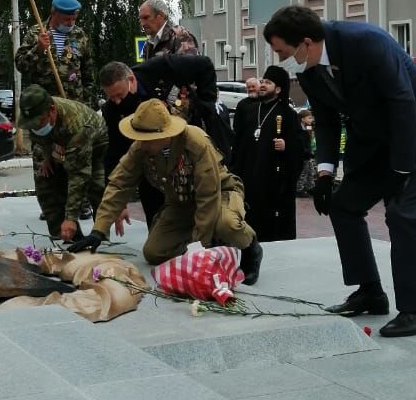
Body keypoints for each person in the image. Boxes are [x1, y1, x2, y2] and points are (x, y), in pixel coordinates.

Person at [264, 5, 416, 338]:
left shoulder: (365, 41)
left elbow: (402, 101)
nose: (282, 59)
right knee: (344, 205)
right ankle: (370, 291)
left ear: (306, 42)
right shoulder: (310, 70)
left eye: (283, 51)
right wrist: (325, 174)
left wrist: (401, 168)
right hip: (381, 135)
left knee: (402, 213)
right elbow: (326, 121)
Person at [70, 98, 262, 281]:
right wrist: (98, 230)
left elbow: (208, 194)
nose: (141, 142)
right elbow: (119, 185)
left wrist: (199, 247)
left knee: (226, 224)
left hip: (220, 194)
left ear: (164, 135)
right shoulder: (141, 148)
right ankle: (210, 244)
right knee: (154, 252)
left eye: (147, 139)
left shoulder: (194, 141)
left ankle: (250, 248)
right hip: (181, 203)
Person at [99, 53, 231, 226]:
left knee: (203, 211)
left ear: (131, 79)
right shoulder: (112, 111)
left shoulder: (162, 67)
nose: (116, 101)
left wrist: (207, 105)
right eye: (111, 97)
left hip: (188, 150)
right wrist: (119, 203)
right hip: (153, 166)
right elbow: (115, 152)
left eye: (119, 95)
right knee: (156, 223)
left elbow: (204, 64)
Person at [19, 84, 108, 242]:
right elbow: (40, 138)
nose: (36, 127)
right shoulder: (36, 117)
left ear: (52, 111)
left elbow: (78, 176)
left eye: (40, 123)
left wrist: (71, 217)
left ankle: (98, 236)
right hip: (58, 141)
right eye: (32, 125)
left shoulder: (77, 125)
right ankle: (67, 236)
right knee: (44, 180)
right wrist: (47, 156)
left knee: (96, 188)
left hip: (94, 146)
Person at [228, 66, 303, 241]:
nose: (262, 85)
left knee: (274, 230)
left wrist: (287, 145)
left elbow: (302, 147)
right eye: (262, 81)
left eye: (267, 83)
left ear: (278, 89)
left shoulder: (288, 114)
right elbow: (238, 143)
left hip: (274, 184)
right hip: (250, 179)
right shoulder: (250, 110)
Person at [15, 0, 94, 104]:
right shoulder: (36, 33)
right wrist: (38, 49)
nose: (71, 23)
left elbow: (88, 74)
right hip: (44, 105)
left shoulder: (80, 35)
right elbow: (21, 65)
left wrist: (86, 105)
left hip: (72, 105)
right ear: (54, 14)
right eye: (67, 19)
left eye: (74, 19)